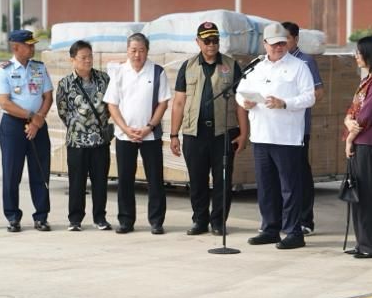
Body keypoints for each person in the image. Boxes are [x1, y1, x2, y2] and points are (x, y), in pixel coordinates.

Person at [237, 22, 316, 249]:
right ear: (265, 44)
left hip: (287, 137)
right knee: (266, 186)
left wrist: (285, 103)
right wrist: (246, 102)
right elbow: (239, 93)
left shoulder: (299, 66)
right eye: (273, 44)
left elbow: (309, 97)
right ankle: (270, 228)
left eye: (282, 43)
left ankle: (293, 231)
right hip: (261, 135)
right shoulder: (256, 67)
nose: (278, 48)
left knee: (289, 187)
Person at [169, 22, 248, 236]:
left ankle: (219, 222)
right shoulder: (188, 67)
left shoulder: (232, 66)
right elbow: (178, 103)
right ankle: (200, 221)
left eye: (214, 40)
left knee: (223, 180)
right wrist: (174, 134)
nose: (211, 45)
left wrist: (244, 133)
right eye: (207, 41)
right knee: (197, 180)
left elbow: (240, 102)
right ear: (198, 42)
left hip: (223, 133)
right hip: (195, 133)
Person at [104, 33, 170, 235]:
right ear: (127, 51)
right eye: (133, 50)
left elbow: (163, 103)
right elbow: (112, 104)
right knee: (124, 179)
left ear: (147, 51)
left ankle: (156, 221)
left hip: (150, 135)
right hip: (125, 136)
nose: (137, 55)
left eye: (141, 50)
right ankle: (126, 221)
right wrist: (125, 129)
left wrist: (149, 126)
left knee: (155, 179)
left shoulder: (157, 71)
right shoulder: (119, 72)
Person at [0, 29, 54, 233]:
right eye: (29, 45)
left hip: (38, 124)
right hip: (13, 126)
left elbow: (48, 96)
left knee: (40, 171)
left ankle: (41, 216)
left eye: (33, 44)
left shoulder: (39, 67)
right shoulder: (4, 71)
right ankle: (12, 216)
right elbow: (4, 102)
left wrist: (37, 121)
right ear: (16, 47)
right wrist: (30, 116)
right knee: (12, 172)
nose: (33, 48)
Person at [55, 40, 114, 232]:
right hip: (76, 141)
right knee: (77, 182)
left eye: (90, 56)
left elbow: (111, 107)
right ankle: (75, 219)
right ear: (73, 60)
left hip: (100, 141)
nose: (88, 61)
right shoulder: (65, 84)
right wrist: (78, 127)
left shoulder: (104, 79)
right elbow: (62, 111)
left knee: (100, 181)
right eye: (83, 57)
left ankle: (100, 218)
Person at [343, 35, 372, 259]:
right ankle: (362, 241)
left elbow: (367, 114)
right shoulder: (368, 79)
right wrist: (347, 122)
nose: (356, 56)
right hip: (359, 140)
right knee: (358, 193)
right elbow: (353, 108)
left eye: (359, 52)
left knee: (370, 195)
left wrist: (350, 137)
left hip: (370, 143)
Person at [282, 22, 324, 234]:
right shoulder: (273, 62)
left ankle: (306, 220)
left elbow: (318, 92)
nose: (282, 43)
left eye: (286, 39)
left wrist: (291, 101)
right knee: (283, 176)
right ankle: (286, 218)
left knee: (299, 174)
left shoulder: (305, 61)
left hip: (298, 128)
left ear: (296, 39)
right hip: (277, 129)